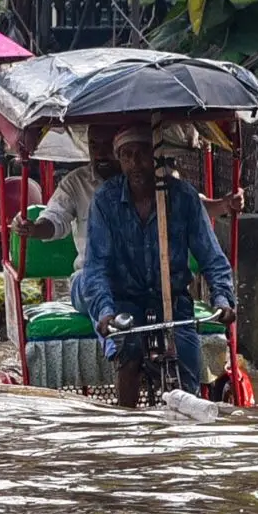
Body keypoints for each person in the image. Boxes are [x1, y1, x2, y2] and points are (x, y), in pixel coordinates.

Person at [83, 126, 237, 407]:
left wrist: (223, 297)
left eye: (142, 155)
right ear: (119, 160)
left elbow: (211, 256)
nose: (135, 164)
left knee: (189, 365)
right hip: (125, 301)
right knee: (127, 355)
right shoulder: (105, 201)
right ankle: (125, 420)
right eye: (127, 156)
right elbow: (96, 267)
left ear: (155, 159)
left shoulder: (183, 197)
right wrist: (105, 311)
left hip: (174, 300)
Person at [13, 128, 245, 311]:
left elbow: (193, 209)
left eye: (107, 146)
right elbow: (55, 219)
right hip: (95, 280)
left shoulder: (163, 184)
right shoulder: (80, 185)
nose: (101, 153)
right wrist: (34, 229)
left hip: (147, 282)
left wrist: (225, 204)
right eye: (94, 146)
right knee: (97, 288)